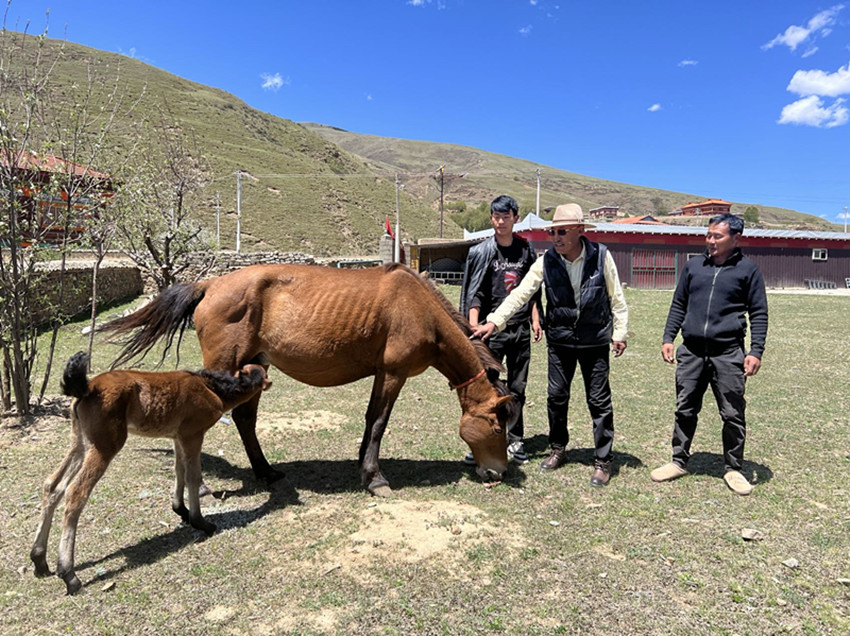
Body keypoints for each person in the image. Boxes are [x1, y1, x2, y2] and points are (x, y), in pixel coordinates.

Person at [471, 203, 629, 487]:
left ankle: (603, 460)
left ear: (579, 230)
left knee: (598, 400)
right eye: (553, 232)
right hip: (560, 341)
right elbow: (520, 294)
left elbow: (616, 297)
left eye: (562, 232)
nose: (556, 237)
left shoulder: (601, 256)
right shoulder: (546, 261)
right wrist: (494, 321)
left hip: (594, 341)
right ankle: (558, 448)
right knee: (556, 397)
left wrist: (620, 332)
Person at [650, 213, 768, 496]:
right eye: (708, 235)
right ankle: (678, 461)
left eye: (718, 236)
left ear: (735, 238)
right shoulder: (694, 266)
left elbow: (759, 313)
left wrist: (755, 351)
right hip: (691, 351)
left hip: (728, 353)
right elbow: (679, 303)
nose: (711, 241)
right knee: (685, 408)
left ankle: (733, 468)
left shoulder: (748, 271)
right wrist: (668, 337)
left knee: (732, 413)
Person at [460, 195, 542, 465]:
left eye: (506, 217)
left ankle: (515, 440)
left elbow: (532, 290)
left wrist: (535, 319)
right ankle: (482, 439)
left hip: (519, 329)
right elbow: (476, 292)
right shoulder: (483, 251)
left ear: (515, 218)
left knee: (517, 388)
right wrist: (473, 324)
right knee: (486, 388)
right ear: (491, 218)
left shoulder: (526, 250)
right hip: (490, 331)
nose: (500, 222)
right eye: (496, 217)